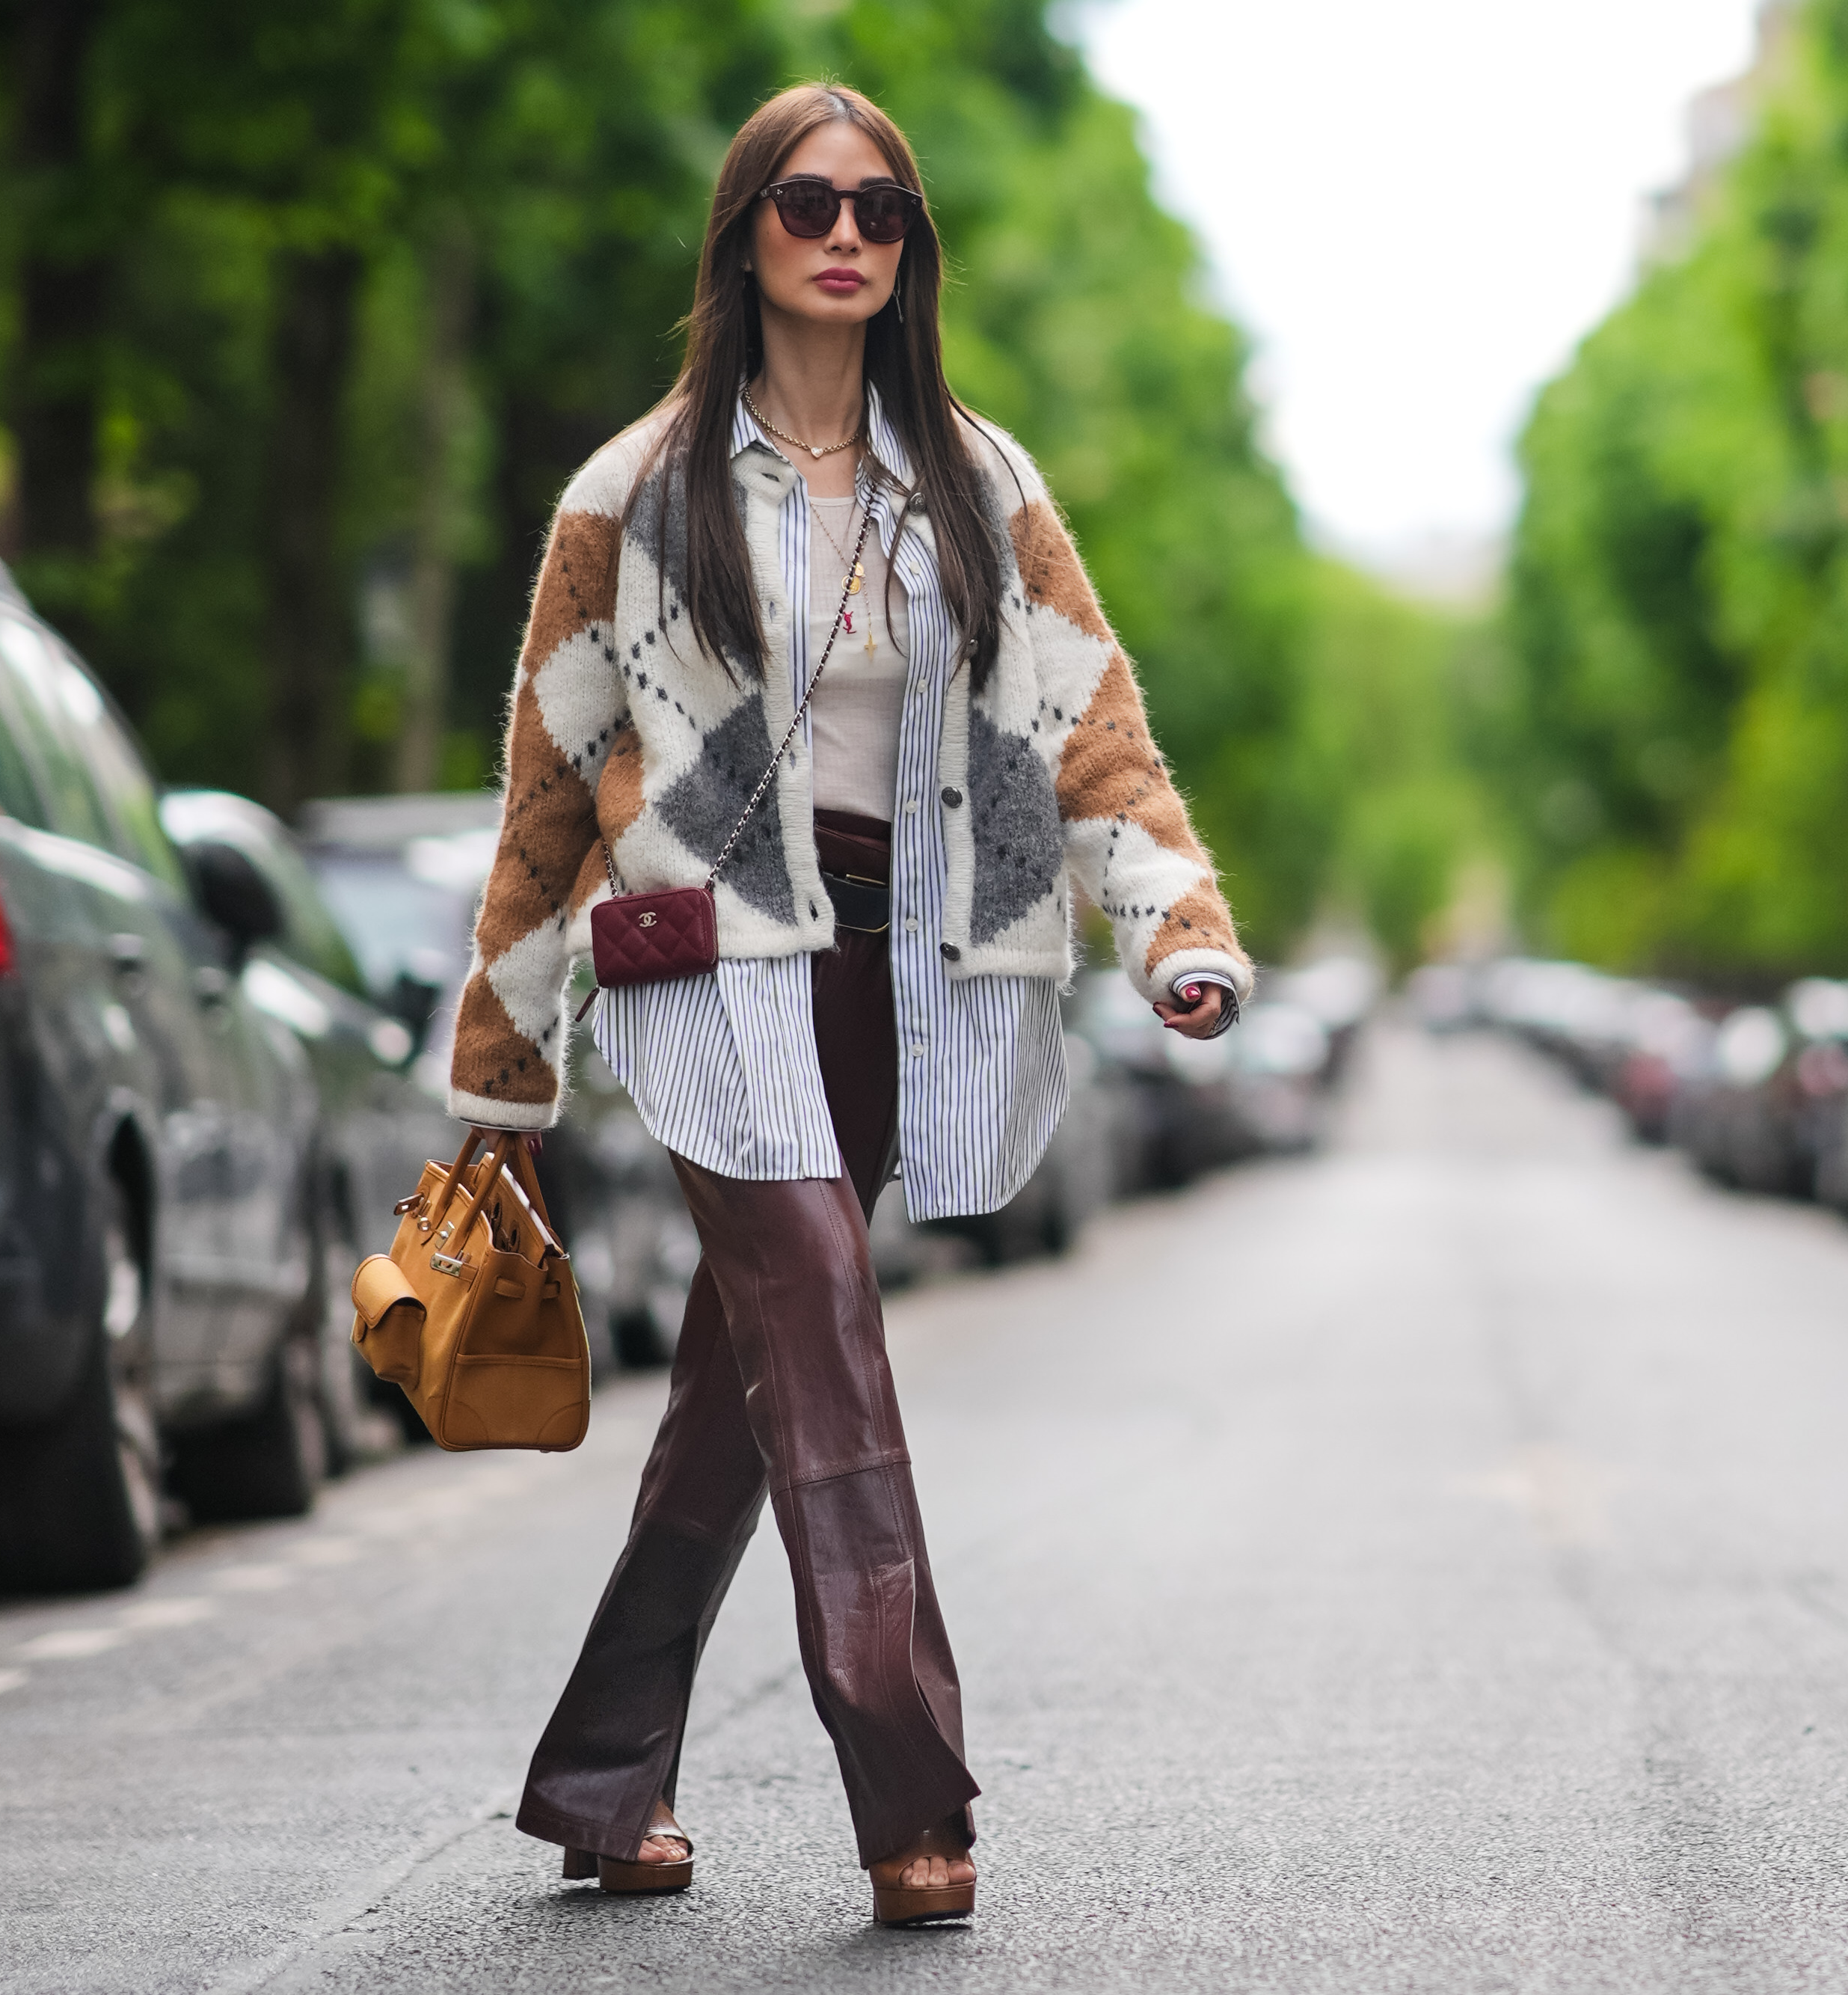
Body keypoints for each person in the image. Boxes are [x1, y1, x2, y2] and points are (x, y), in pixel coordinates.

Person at [446, 80, 1251, 1928]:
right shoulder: (632, 493)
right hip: (710, 958)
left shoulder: (980, 482)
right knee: (818, 1318)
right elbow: (546, 790)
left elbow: (1094, 736)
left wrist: (1174, 929)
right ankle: (910, 1789)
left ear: (911, 250)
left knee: (750, 1381)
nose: (845, 236)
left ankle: (595, 1779)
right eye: (807, 203)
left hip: (910, 961)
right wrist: (500, 1073)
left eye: (881, 210)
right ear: (743, 233)